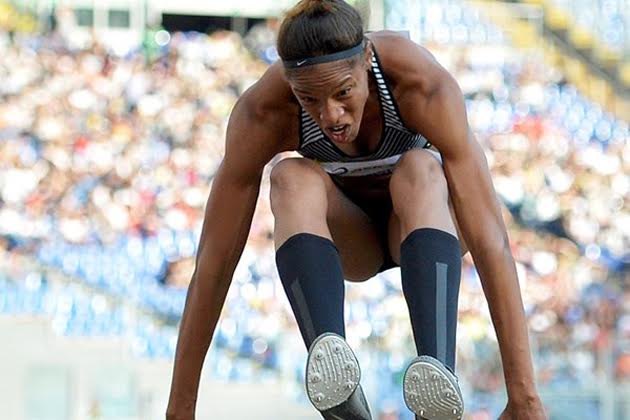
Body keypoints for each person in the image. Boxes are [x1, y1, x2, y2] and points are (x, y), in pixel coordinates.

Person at [166, 1, 547, 419]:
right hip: (352, 244)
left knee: (419, 167)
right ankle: (335, 382)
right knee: (290, 176)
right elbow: (215, 261)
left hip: (423, 226)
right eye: (309, 98)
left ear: (366, 60)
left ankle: (437, 383)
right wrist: (181, 407)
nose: (331, 115)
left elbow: (490, 239)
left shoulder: (420, 85)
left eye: (343, 93)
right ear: (290, 85)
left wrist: (523, 395)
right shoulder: (265, 112)